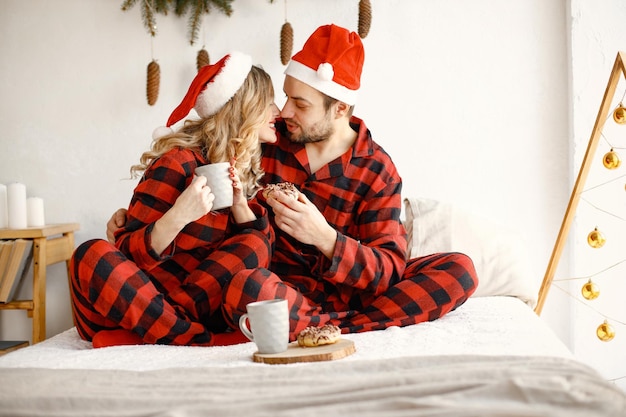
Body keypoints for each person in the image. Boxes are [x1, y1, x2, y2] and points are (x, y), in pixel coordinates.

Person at [109, 24, 479, 341]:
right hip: (273, 290)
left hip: (348, 298)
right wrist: (142, 221)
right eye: (286, 97)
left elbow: (388, 270)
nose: (284, 112)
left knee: (459, 269)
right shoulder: (269, 142)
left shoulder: (377, 170)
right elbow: (208, 156)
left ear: (340, 109)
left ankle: (339, 328)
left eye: (300, 105)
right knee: (247, 287)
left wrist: (325, 238)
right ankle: (328, 328)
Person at [71, 52, 280, 347]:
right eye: (269, 102)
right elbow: (126, 255)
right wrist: (179, 215)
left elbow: (257, 256)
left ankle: (155, 333)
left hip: (183, 307)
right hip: (129, 303)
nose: (278, 111)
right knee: (90, 254)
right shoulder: (177, 163)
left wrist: (239, 205)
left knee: (255, 241)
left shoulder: (240, 170)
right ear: (245, 109)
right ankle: (193, 339)